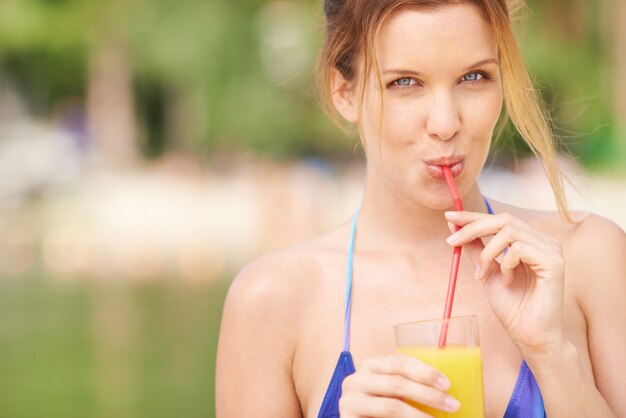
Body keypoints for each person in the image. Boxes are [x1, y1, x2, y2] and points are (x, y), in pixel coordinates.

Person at [216, 0, 626, 416]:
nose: (446, 123)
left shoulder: (588, 258)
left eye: (474, 76)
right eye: (405, 83)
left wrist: (554, 357)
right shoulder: (271, 301)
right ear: (345, 92)